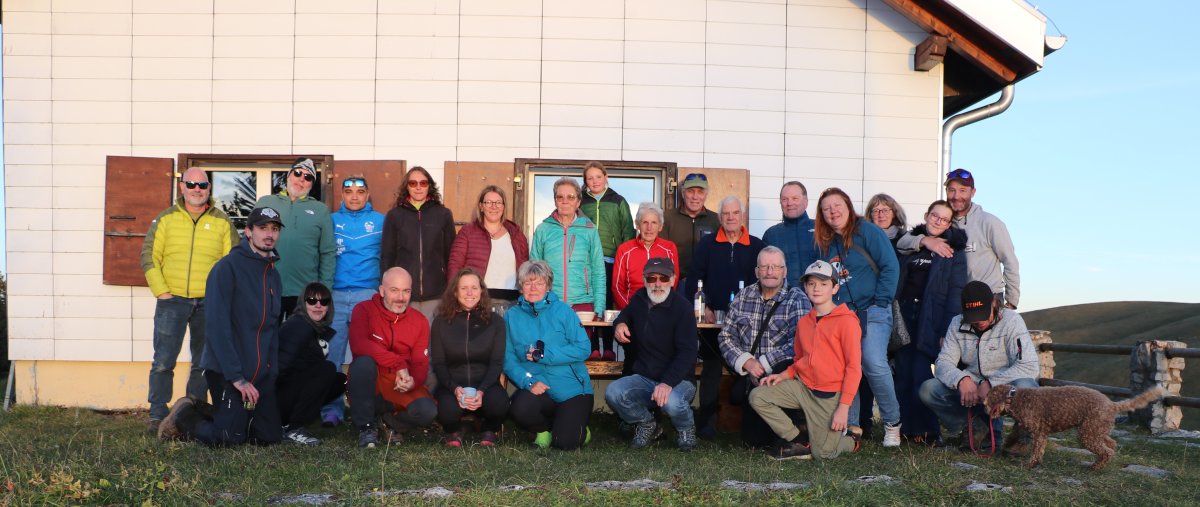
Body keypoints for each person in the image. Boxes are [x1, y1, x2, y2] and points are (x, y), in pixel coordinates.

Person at [157, 207, 285, 446]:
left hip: (259, 375)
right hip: (227, 372)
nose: (269, 234)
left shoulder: (273, 275)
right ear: (248, 232)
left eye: (274, 229)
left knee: (268, 437)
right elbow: (217, 328)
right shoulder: (227, 268)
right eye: (262, 228)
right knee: (229, 438)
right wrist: (237, 378)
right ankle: (183, 416)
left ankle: (222, 414)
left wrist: (271, 371)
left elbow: (271, 328)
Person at [141, 167, 239, 434]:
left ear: (209, 188)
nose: (197, 189)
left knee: (203, 363)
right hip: (172, 301)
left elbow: (232, 263)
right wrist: (162, 291)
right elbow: (149, 256)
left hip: (208, 303)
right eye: (192, 184)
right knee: (163, 361)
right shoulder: (165, 219)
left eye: (203, 184)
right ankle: (157, 415)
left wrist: (221, 299)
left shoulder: (222, 222)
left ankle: (191, 414)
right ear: (181, 187)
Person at [814, 187, 902, 447]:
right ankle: (851, 427)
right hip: (843, 315)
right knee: (844, 367)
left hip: (874, 309)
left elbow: (890, 265)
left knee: (873, 362)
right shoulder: (825, 243)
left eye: (837, 205)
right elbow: (823, 279)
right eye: (827, 208)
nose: (833, 211)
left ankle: (892, 422)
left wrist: (880, 300)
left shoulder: (868, 231)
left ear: (848, 206)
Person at [750, 260, 862, 460]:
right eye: (811, 284)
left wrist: (843, 408)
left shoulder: (847, 321)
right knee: (758, 395)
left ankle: (850, 439)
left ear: (835, 288)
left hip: (828, 397)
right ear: (805, 287)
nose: (816, 289)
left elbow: (854, 368)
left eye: (823, 284)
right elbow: (800, 359)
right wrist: (783, 375)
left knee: (824, 455)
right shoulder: (804, 322)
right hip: (803, 388)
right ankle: (800, 440)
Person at [919, 280, 1039, 451]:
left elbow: (1028, 365)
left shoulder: (1012, 321)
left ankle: (1020, 437)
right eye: (973, 316)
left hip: (1004, 385)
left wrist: (992, 384)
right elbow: (943, 362)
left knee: (1027, 386)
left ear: (994, 303)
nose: (980, 321)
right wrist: (962, 379)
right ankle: (974, 427)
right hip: (973, 386)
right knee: (928, 389)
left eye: (984, 313)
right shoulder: (956, 323)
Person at [712, 246, 811, 447]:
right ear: (756, 271)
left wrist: (764, 365)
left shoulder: (797, 299)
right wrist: (747, 363)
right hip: (750, 375)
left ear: (785, 271)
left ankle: (795, 429)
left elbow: (800, 342)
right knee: (753, 441)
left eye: (775, 267)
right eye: (764, 266)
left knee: (783, 366)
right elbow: (725, 336)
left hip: (781, 376)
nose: (770, 271)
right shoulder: (742, 297)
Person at [688, 196, 766, 439]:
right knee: (711, 369)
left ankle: (750, 424)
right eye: (726, 214)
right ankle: (707, 423)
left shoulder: (756, 246)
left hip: (748, 323)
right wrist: (705, 307)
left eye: (735, 213)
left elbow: (765, 283)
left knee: (748, 368)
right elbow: (693, 279)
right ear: (720, 217)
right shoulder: (707, 244)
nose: (730, 217)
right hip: (714, 321)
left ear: (742, 216)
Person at [893, 200, 967, 445]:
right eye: (935, 216)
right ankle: (905, 429)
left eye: (944, 219)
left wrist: (947, 329)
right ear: (926, 216)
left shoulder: (953, 251)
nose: (938, 221)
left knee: (921, 373)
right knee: (903, 374)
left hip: (931, 318)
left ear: (949, 224)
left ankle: (928, 431)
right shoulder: (912, 244)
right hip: (905, 315)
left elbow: (956, 292)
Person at [606, 257, 698, 451]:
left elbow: (688, 352)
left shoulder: (683, 308)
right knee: (613, 393)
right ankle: (647, 423)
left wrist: (667, 383)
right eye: (652, 278)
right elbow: (625, 314)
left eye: (663, 278)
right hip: (646, 377)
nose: (657, 283)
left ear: (673, 280)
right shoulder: (640, 298)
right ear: (644, 279)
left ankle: (686, 427)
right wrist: (620, 323)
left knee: (671, 403)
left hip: (679, 380)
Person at [898, 169, 1020, 309]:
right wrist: (925, 240)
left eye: (963, 190)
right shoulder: (942, 222)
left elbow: (1010, 261)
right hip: (951, 301)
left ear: (973, 192)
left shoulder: (989, 223)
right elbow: (903, 242)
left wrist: (1011, 302)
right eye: (952, 190)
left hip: (987, 299)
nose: (956, 196)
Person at [504, 260, 594, 450]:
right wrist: (528, 382)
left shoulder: (563, 311)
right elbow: (508, 359)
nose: (533, 288)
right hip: (539, 387)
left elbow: (583, 348)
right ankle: (543, 430)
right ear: (521, 287)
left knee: (565, 443)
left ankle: (578, 429)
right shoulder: (511, 316)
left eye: (539, 283)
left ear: (548, 286)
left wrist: (546, 354)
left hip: (572, 390)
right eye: (528, 283)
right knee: (519, 407)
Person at [347, 267, 438, 449]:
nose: (400, 297)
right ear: (381, 290)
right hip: (370, 381)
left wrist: (412, 382)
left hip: (398, 384)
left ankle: (390, 423)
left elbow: (420, 363)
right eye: (394, 290)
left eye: (406, 291)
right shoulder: (363, 310)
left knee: (428, 411)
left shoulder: (419, 321)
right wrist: (398, 363)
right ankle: (366, 427)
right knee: (363, 363)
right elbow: (359, 345)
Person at [324, 174, 385, 427]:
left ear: (368, 194)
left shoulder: (382, 221)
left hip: (367, 294)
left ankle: (367, 409)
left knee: (367, 357)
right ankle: (331, 410)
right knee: (332, 357)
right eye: (349, 192)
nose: (355, 196)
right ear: (342, 195)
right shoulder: (330, 220)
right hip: (336, 294)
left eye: (360, 191)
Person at [430, 268, 510, 448]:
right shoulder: (441, 322)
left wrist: (481, 391)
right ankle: (456, 428)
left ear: (481, 291)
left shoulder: (496, 322)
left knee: (500, 404)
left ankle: (488, 428)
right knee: (447, 411)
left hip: (486, 385)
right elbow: (439, 363)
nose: (469, 293)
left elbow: (497, 362)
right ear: (455, 291)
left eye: (474, 287)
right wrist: (454, 388)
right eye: (464, 288)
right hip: (452, 386)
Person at [528, 177, 605, 352]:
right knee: (551, 355)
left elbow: (598, 271)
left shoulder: (589, 230)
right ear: (555, 200)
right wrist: (535, 304)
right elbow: (533, 272)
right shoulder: (543, 230)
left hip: (583, 305)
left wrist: (599, 308)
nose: (565, 201)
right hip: (549, 304)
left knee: (578, 355)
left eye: (570, 197)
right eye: (560, 197)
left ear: (578, 201)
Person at [255, 157, 335, 319]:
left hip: (304, 292)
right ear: (288, 175)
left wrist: (323, 289)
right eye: (298, 173)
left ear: (312, 184)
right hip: (267, 288)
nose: (301, 179)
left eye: (308, 177)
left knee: (299, 341)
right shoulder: (265, 202)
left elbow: (327, 252)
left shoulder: (320, 210)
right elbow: (249, 242)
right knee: (265, 340)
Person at [380, 166, 456, 322]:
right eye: (413, 183)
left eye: (423, 182)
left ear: (430, 186)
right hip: (404, 295)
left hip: (436, 294)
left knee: (432, 342)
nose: (418, 187)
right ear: (407, 187)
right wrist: (389, 289)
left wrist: (450, 288)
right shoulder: (395, 215)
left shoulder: (443, 214)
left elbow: (451, 255)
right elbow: (387, 256)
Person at [275, 282, 347, 446]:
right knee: (327, 369)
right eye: (312, 300)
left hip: (291, 390)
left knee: (341, 379)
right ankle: (294, 428)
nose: (318, 305)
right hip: (276, 396)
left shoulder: (315, 329)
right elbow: (279, 368)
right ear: (303, 303)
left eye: (324, 301)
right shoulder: (298, 326)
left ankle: (288, 423)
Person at [612, 202, 679, 375]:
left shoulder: (669, 248)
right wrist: (633, 311)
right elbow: (617, 286)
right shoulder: (625, 250)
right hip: (633, 315)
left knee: (663, 360)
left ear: (661, 226)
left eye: (654, 223)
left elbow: (674, 281)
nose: (649, 228)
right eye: (645, 222)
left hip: (663, 312)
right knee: (633, 363)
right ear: (637, 224)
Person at [447, 185, 530, 316]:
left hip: (512, 303)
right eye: (488, 202)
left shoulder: (516, 234)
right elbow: (455, 265)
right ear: (481, 206)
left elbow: (526, 268)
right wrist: (455, 296)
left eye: (498, 202)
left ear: (503, 206)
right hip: (479, 301)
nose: (494, 206)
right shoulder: (468, 232)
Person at [661, 172, 719, 285]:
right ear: (683, 193)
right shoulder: (667, 218)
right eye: (690, 191)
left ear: (706, 195)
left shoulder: (716, 221)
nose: (695, 197)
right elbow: (660, 253)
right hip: (675, 284)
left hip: (707, 284)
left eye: (700, 192)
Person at [762, 181, 817, 286]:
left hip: (817, 299)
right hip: (784, 300)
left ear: (806, 202)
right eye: (784, 199)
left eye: (795, 198)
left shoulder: (821, 229)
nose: (789, 203)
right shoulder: (771, 235)